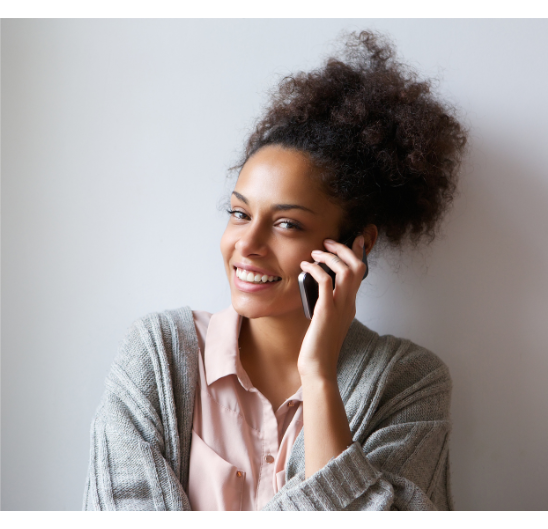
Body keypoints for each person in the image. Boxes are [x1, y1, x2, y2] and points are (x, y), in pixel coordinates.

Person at [83, 30, 467, 511]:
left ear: (357, 245)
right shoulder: (158, 355)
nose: (247, 243)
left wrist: (320, 375)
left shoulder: (410, 381)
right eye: (240, 213)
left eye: (286, 224)